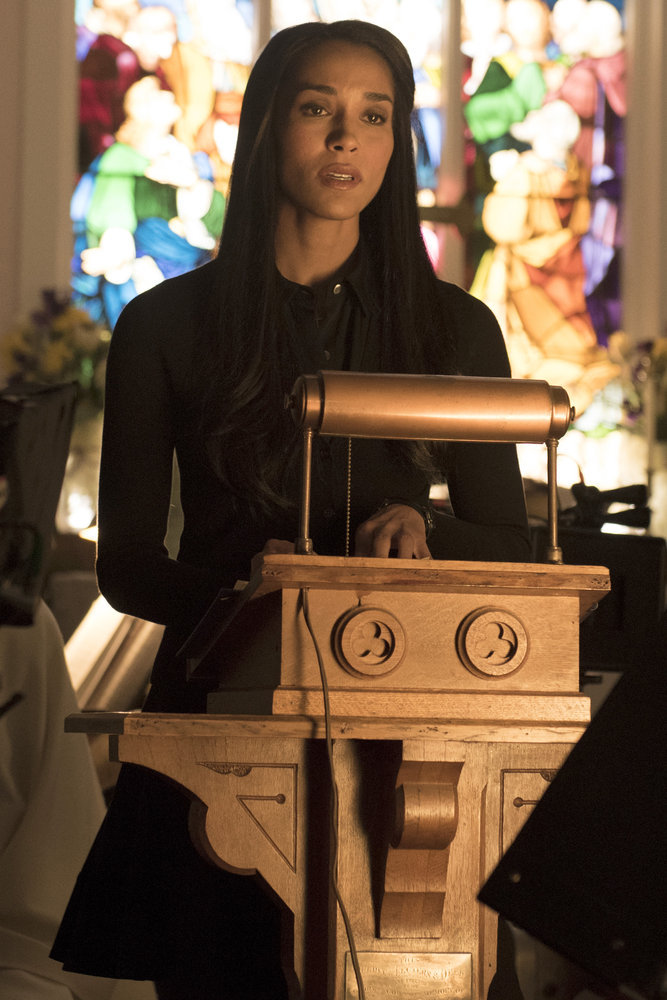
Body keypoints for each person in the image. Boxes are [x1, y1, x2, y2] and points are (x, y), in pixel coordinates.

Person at [51, 19, 531, 1000]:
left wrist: (427, 532)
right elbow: (128, 566)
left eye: (374, 115)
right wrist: (254, 596)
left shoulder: (456, 327)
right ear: (267, 127)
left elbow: (512, 545)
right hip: (225, 707)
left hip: (410, 720)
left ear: (396, 144)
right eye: (318, 108)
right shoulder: (163, 324)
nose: (346, 137)